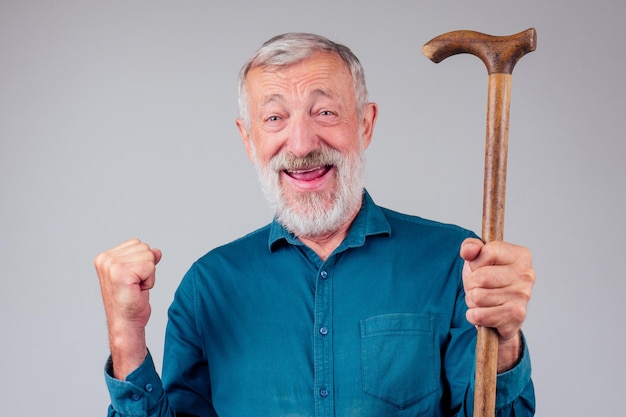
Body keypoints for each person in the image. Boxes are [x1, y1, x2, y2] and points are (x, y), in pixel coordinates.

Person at [95, 32, 536, 417]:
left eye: (324, 112)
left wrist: (505, 339)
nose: (302, 144)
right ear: (249, 141)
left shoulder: (455, 264)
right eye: (274, 118)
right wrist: (126, 337)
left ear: (365, 124)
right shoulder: (207, 288)